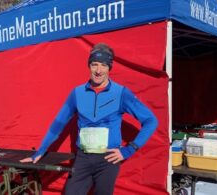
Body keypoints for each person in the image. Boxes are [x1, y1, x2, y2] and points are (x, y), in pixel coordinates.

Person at [20, 43, 158, 195]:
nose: (98, 71)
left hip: (108, 160)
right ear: (89, 66)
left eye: (104, 65)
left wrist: (129, 150)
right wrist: (40, 151)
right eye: (94, 65)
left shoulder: (121, 93)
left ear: (109, 67)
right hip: (83, 158)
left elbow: (151, 121)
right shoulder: (77, 93)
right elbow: (58, 124)